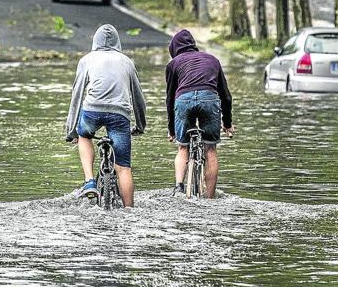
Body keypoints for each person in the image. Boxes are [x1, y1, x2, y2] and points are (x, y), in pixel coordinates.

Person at [65, 24, 146, 207]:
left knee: (84, 135)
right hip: (120, 114)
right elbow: (138, 98)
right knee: (124, 167)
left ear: (95, 40)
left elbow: (76, 95)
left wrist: (71, 131)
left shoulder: (87, 60)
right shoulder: (127, 62)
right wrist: (140, 126)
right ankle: (129, 210)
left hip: (92, 110)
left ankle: (89, 181)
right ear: (118, 41)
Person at [165, 29, 234, 198]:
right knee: (210, 149)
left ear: (174, 49)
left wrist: (172, 129)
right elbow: (225, 95)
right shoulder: (213, 60)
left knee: (183, 147)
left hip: (184, 101)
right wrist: (227, 123)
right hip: (209, 100)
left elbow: (170, 99)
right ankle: (210, 197)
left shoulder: (173, 64)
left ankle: (179, 187)